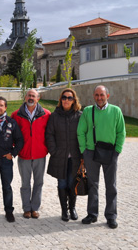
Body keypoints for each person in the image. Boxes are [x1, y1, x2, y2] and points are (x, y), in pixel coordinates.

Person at [77, 85, 126, 229]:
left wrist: (117, 151)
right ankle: (92, 214)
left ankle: (111, 216)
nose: (99, 98)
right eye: (97, 95)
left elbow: (121, 133)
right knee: (93, 184)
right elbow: (81, 131)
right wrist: (84, 150)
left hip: (110, 152)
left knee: (111, 185)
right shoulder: (87, 111)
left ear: (108, 96)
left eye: (102, 95)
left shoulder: (116, 111)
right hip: (91, 153)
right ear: (94, 96)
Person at [11, 88, 51, 219]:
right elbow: (12, 135)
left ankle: (35, 208)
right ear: (25, 97)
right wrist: (16, 149)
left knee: (39, 182)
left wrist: (47, 148)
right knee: (25, 183)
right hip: (24, 155)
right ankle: (26, 209)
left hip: (40, 154)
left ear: (38, 98)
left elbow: (49, 134)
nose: (31, 98)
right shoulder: (16, 115)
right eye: (29, 95)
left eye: (33, 96)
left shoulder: (46, 114)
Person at [45, 88, 82, 222]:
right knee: (62, 183)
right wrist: (53, 151)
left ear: (74, 100)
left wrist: (82, 153)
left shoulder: (79, 116)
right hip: (60, 156)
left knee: (73, 183)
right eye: (64, 97)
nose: (66, 100)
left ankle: (72, 207)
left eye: (69, 98)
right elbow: (49, 135)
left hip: (75, 157)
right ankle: (64, 210)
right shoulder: (54, 116)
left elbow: (84, 134)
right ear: (61, 99)